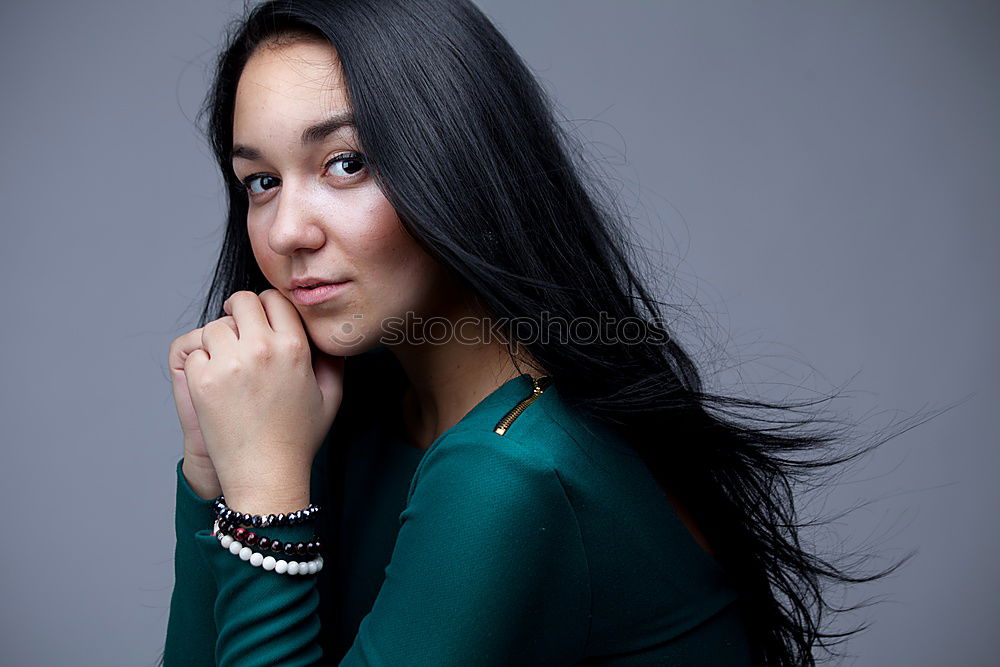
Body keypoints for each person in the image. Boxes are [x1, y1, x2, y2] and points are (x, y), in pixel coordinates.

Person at [160, 1, 912, 665]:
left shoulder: (510, 474)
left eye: (346, 163)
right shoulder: (340, 416)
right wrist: (214, 473)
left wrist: (263, 503)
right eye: (262, 181)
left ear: (456, 163)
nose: (288, 229)